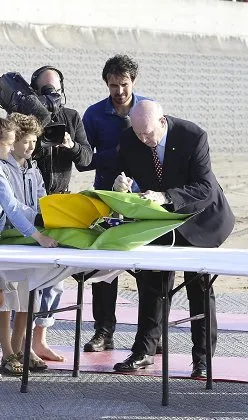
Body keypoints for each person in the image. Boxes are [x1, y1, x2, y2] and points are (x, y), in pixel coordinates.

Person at [111, 100, 235, 378]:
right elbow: (123, 173)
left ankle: (203, 360)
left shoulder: (193, 136)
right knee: (152, 283)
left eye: (148, 134)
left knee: (199, 288)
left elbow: (203, 187)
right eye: (139, 134)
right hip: (161, 221)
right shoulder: (131, 138)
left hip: (201, 218)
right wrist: (121, 184)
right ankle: (144, 351)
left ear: (162, 122)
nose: (144, 140)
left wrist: (166, 197)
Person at [77, 55, 148, 353]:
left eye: (124, 84)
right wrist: (115, 153)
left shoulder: (148, 109)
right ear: (106, 83)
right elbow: (84, 161)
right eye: (113, 85)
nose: (119, 91)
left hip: (142, 201)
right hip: (105, 198)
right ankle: (103, 332)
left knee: (149, 270)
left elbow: (157, 150)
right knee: (103, 268)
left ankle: (149, 338)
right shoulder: (93, 114)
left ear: (134, 81)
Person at [28, 65, 93, 362]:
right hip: (30, 206)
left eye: (55, 90)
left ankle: (40, 339)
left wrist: (70, 144)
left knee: (55, 279)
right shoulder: (26, 117)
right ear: (34, 93)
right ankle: (21, 342)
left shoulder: (72, 117)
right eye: (45, 91)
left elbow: (87, 159)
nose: (52, 97)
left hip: (61, 203)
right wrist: (39, 140)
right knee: (27, 279)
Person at [0, 116, 58, 375]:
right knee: (4, 297)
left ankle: (19, 347)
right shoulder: (2, 168)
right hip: (11, 238)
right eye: (13, 142)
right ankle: (8, 351)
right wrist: (38, 234)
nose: (14, 147)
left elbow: (39, 199)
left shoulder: (32, 168)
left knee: (24, 292)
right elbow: (12, 207)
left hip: (22, 238)